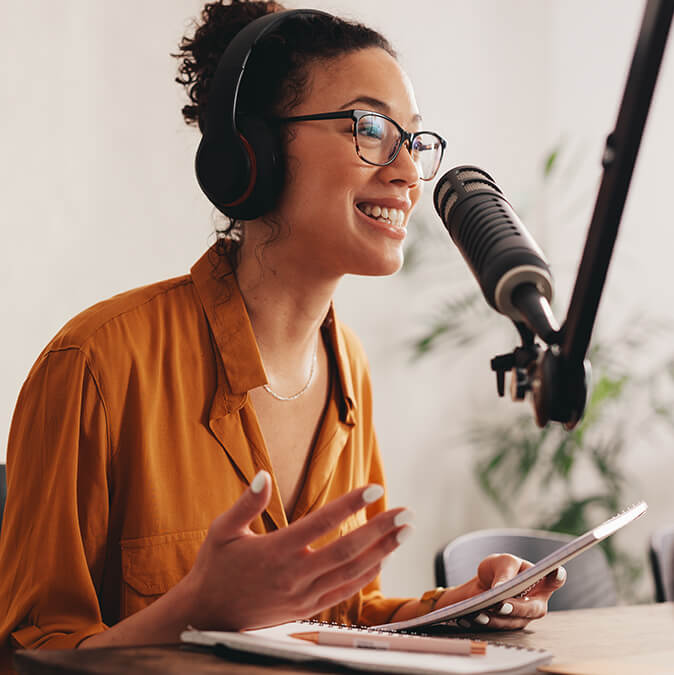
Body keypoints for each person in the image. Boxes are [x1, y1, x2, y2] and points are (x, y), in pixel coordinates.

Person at [0, 0, 565, 669]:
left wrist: (456, 606)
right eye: (370, 127)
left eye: (413, 140)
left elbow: (339, 617)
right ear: (255, 155)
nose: (409, 172)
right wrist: (194, 608)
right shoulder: (97, 365)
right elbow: (27, 655)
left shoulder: (345, 367)